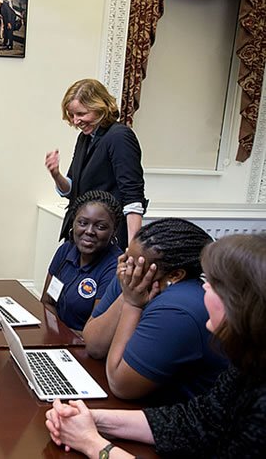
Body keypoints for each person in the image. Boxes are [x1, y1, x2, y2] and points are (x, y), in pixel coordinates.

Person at [44, 234, 266, 458]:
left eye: (216, 285)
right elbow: (196, 420)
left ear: (245, 305)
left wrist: (92, 443)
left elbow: (121, 384)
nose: (204, 288)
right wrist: (93, 419)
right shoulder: (247, 368)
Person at [83, 218, 227, 404]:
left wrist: (132, 304)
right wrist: (127, 296)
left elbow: (121, 384)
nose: (127, 270)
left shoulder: (177, 309)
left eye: (136, 266)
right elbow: (94, 345)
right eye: (128, 259)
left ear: (175, 275)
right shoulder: (134, 277)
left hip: (181, 418)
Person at [44, 79, 146, 249]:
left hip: (107, 237)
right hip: (82, 232)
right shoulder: (85, 138)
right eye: (72, 115)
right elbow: (71, 189)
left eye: (81, 114)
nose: (76, 121)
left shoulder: (119, 136)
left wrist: (132, 250)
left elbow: (133, 198)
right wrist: (55, 174)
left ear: (101, 108)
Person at [41, 191, 123, 331]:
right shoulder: (66, 250)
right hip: (58, 338)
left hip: (85, 346)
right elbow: (47, 302)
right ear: (74, 222)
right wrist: (57, 336)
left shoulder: (115, 267)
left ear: (114, 231)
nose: (89, 231)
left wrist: (63, 337)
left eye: (100, 227)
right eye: (83, 223)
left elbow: (95, 332)